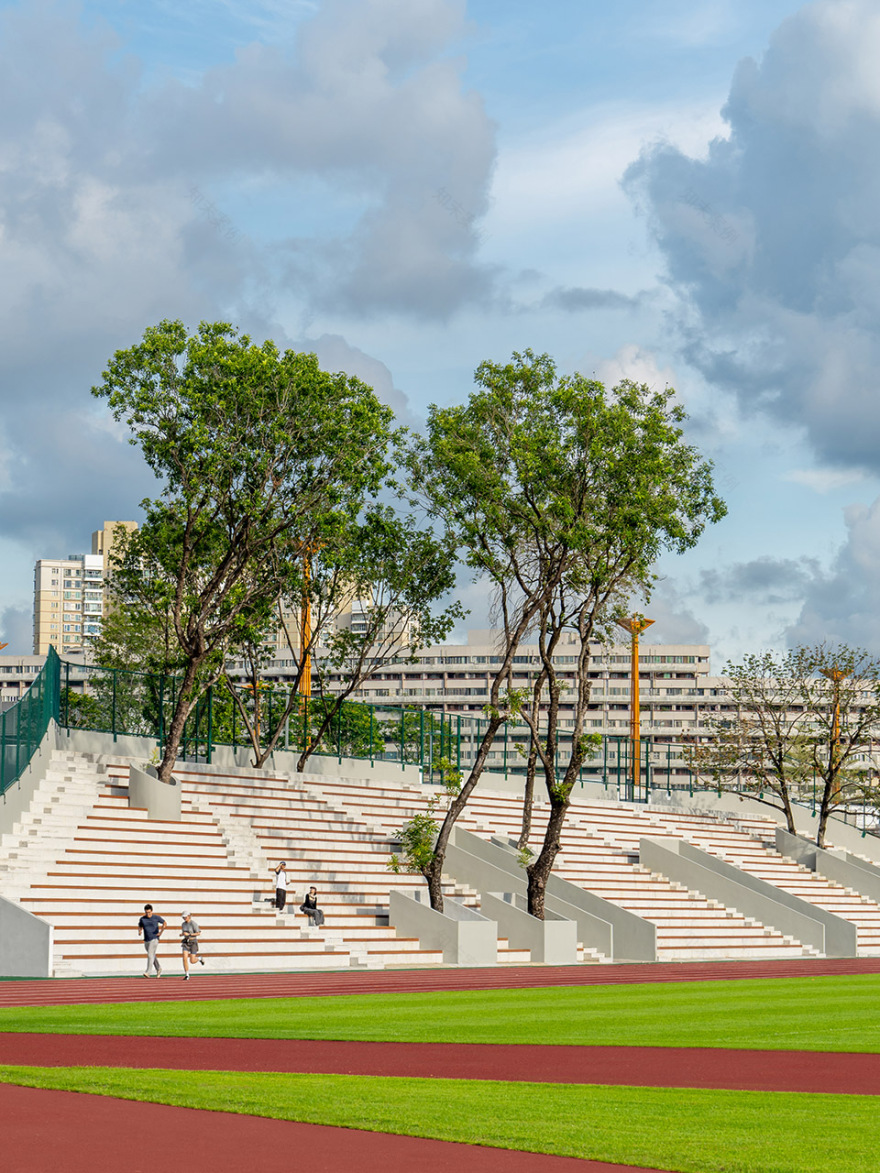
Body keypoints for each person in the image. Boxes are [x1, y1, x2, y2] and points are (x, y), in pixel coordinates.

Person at [137, 903, 165, 977]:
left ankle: (148, 972)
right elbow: (140, 925)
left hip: (154, 938)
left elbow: (164, 923)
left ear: (152, 911)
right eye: (146, 912)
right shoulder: (142, 919)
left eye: (149, 912)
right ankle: (158, 968)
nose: (148, 914)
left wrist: (161, 932)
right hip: (146, 939)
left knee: (150, 954)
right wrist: (139, 931)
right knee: (152, 955)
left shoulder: (156, 917)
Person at [180, 910, 206, 979]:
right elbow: (184, 932)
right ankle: (187, 974)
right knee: (184, 958)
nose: (184, 918)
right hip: (186, 942)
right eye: (183, 917)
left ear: (189, 916)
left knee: (192, 960)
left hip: (193, 942)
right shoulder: (183, 924)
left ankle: (199, 958)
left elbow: (198, 933)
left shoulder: (193, 923)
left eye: (185, 917)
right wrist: (182, 934)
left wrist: (190, 934)